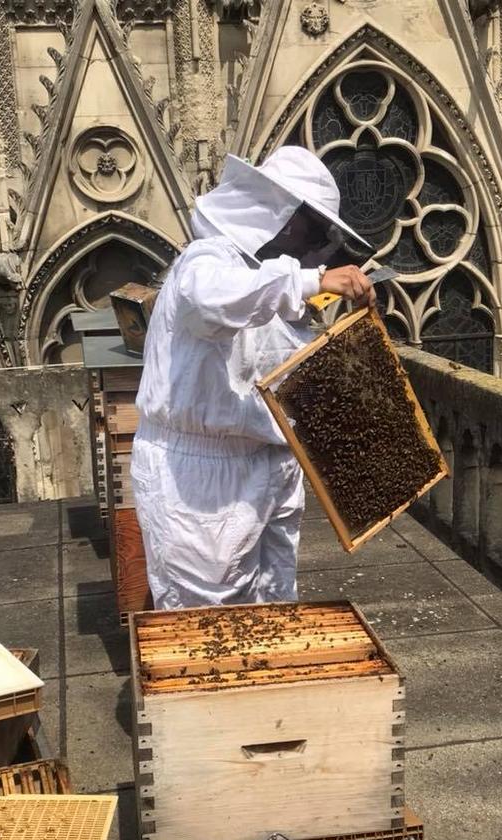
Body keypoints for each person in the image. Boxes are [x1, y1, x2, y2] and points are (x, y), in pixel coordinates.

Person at [131, 146, 375, 609]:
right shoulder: (207, 261)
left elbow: (287, 364)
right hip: (200, 480)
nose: (315, 244)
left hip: (270, 464)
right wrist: (312, 280)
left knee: (274, 607)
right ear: (280, 215)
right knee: (208, 623)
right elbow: (209, 299)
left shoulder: (269, 283)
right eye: (312, 227)